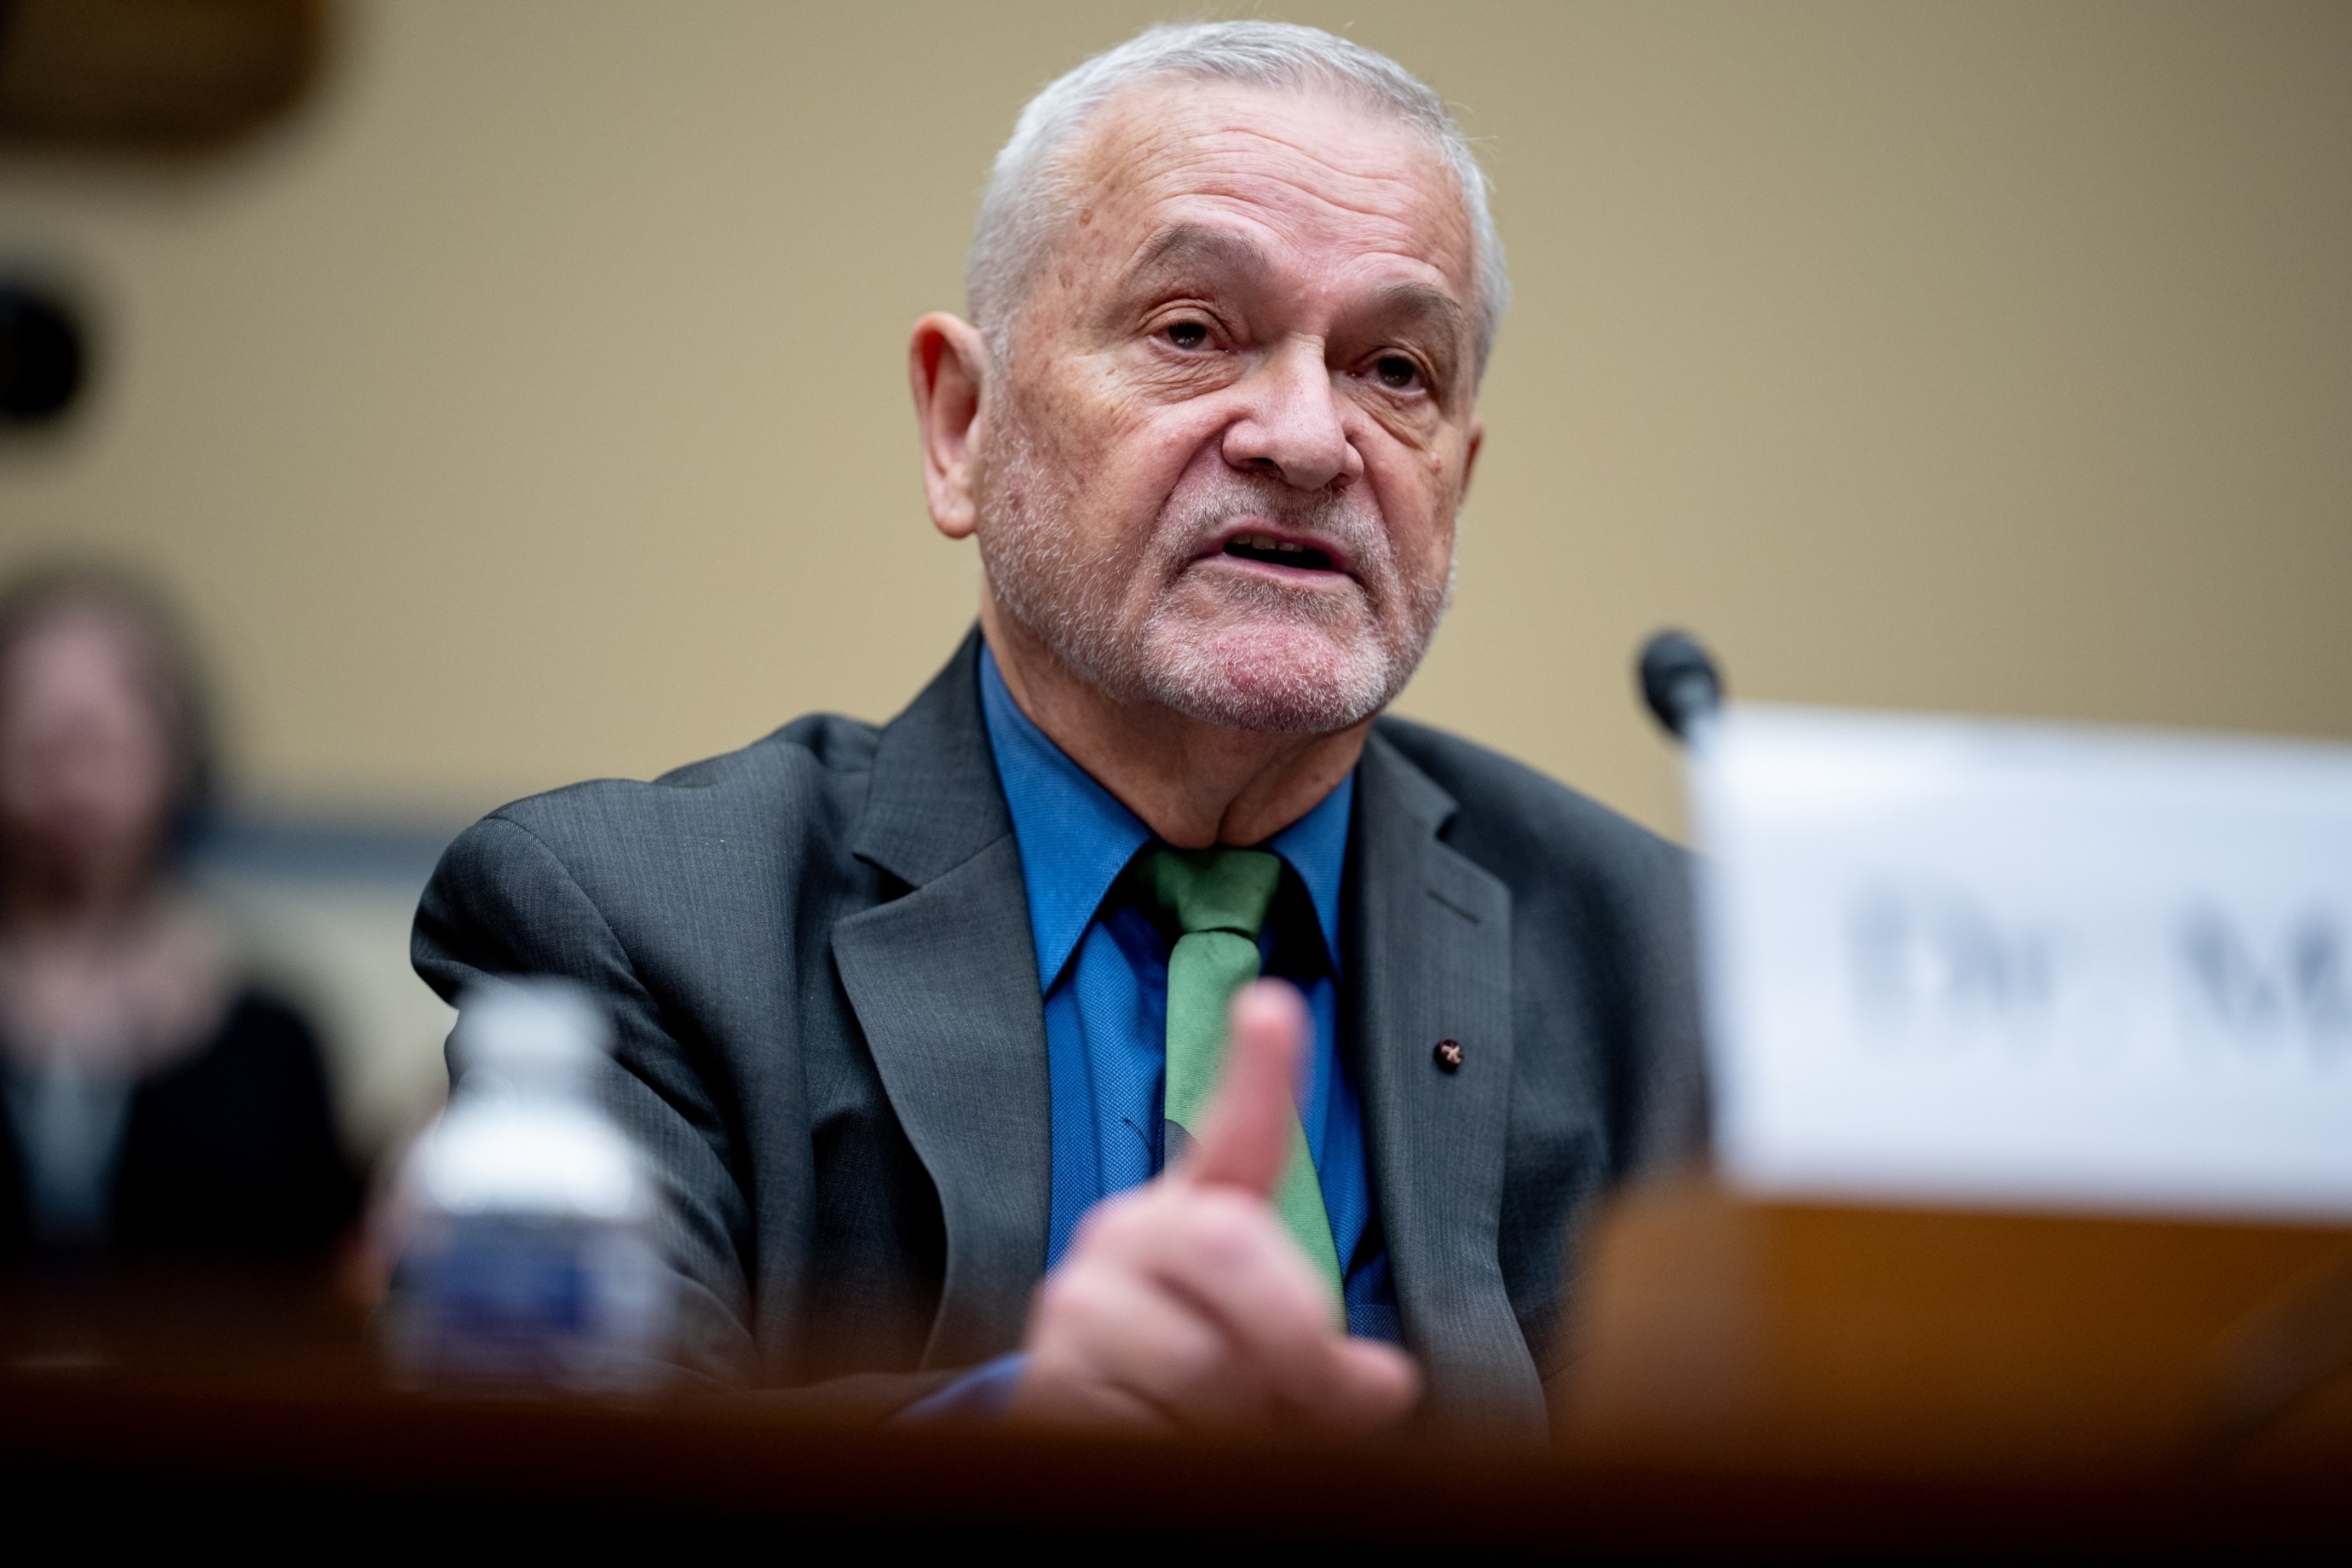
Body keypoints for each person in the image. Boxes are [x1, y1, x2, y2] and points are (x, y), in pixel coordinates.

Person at [413, 21, 1702, 1439]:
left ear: (1455, 473)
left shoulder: (1662, 967)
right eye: (1193, 332)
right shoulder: (644, 924)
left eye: (1393, 369)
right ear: (962, 425)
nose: (1306, 435)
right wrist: (1029, 1441)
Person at [0, 566, 359, 1260]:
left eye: (116, 705)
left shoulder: (271, 1039)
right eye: (28, 703)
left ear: (181, 746)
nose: (72, 744)